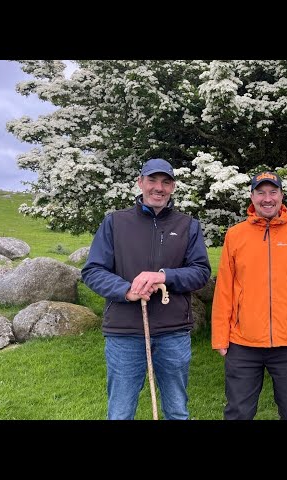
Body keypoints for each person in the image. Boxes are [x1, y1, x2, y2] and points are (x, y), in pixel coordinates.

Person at [82, 158, 211, 420]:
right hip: (125, 332)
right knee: (120, 411)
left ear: (173, 187)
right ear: (140, 183)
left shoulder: (188, 226)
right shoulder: (115, 222)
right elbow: (93, 270)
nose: (158, 188)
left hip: (173, 332)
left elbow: (200, 272)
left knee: (176, 410)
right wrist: (125, 290)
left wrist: (164, 276)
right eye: (152, 180)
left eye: (166, 182)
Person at [211, 171, 287, 420]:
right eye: (261, 192)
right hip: (243, 342)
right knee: (238, 412)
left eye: (273, 192)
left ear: (282, 196)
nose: (267, 198)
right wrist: (220, 337)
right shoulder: (235, 235)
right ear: (252, 197)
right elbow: (224, 290)